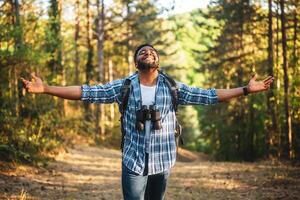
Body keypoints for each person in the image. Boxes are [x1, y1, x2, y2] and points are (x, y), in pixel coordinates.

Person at [21, 44, 274, 200]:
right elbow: (87, 92)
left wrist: (245, 90)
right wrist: (46, 89)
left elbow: (209, 96)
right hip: (133, 160)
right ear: (136, 62)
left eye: (152, 51)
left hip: (163, 161)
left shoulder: (173, 86)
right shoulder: (124, 86)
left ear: (157, 62)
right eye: (142, 51)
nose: (148, 52)